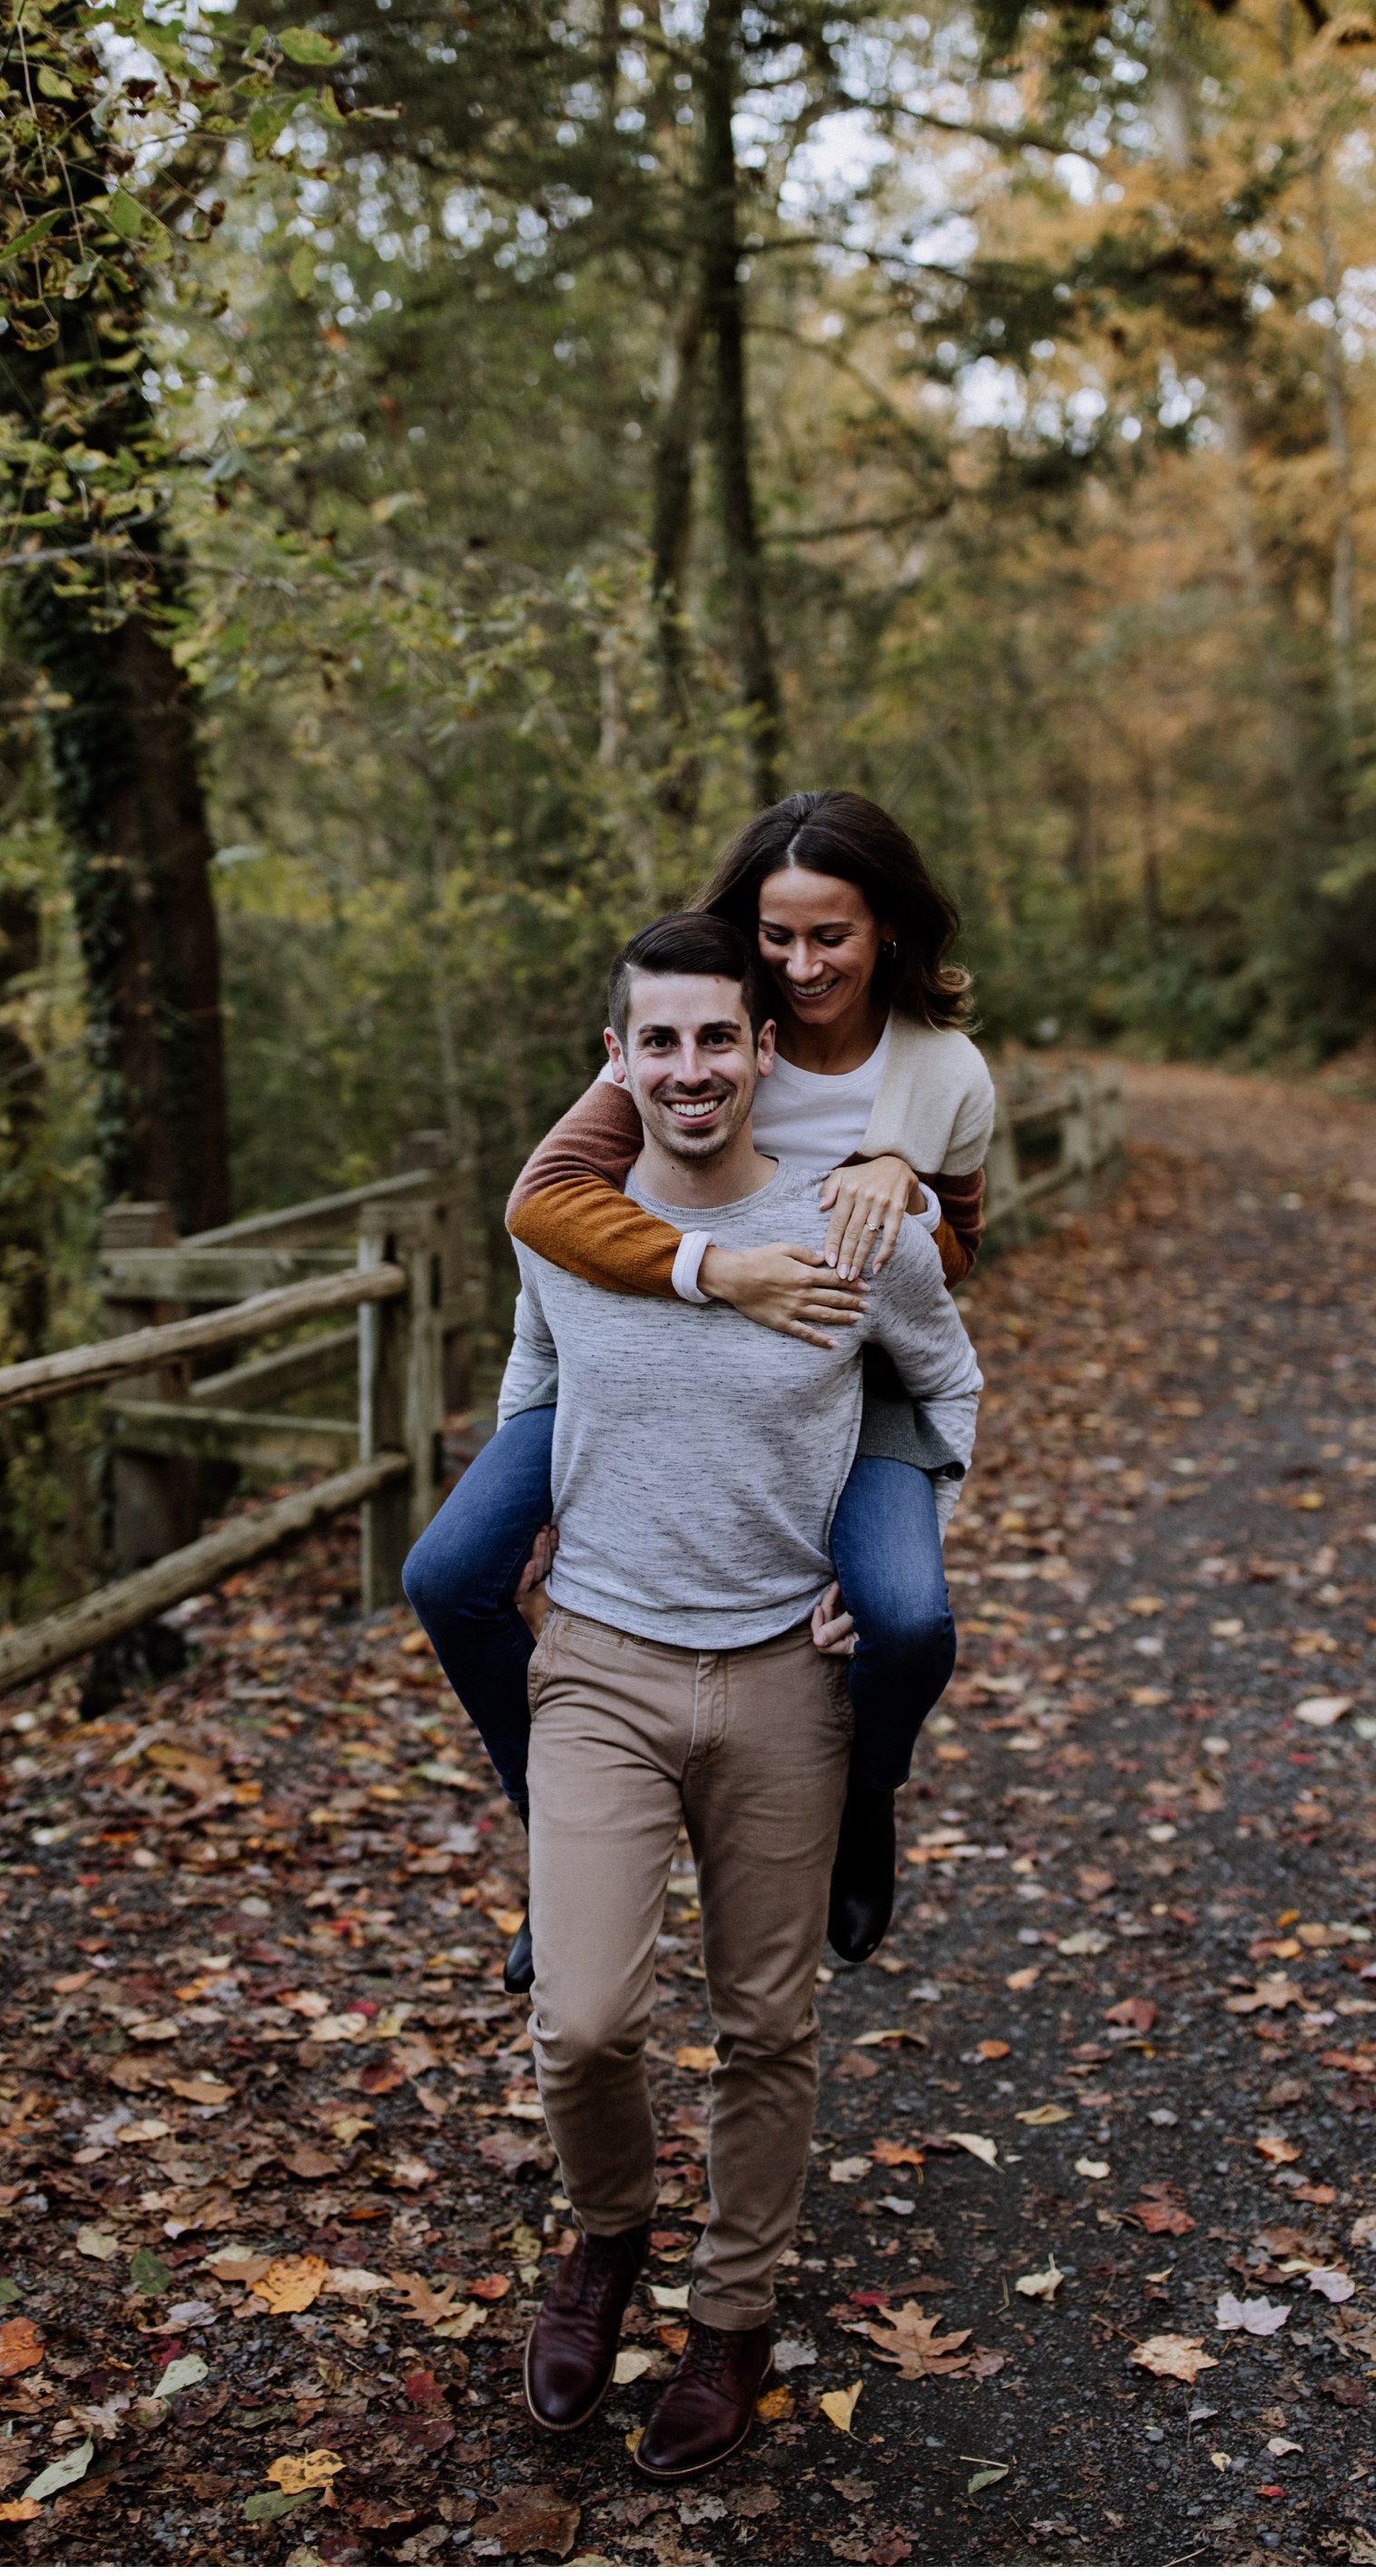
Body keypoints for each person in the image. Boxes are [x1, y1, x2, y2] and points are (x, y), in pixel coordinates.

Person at [507, 912, 981, 2481]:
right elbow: (534, 1383)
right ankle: (606, 2242)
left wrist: (896, 1537)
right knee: (582, 2023)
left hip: (788, 1670)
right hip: (600, 1664)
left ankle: (732, 2316)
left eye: (721, 1038)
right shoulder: (566, 1219)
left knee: (767, 2021)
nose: (693, 1068)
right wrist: (524, 1521)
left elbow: (947, 1379)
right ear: (618, 1058)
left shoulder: (854, 1224)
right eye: (662, 1042)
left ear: (766, 1052)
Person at [402, 791, 994, 1978]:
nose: (802, 961)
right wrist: (720, 1273)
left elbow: (962, 1255)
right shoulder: (702, 1032)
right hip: (657, 1346)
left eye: (832, 933)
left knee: (909, 1619)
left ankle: (864, 1797)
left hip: (848, 1355)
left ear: (886, 929)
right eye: (778, 934)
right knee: (450, 1572)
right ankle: (554, 1838)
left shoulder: (941, 1071)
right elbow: (542, 1208)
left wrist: (898, 1184)